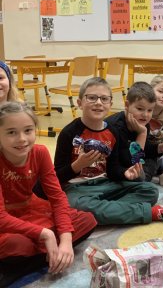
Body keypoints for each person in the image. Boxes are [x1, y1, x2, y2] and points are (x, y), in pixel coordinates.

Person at [55, 77, 163, 225]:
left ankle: (108, 209)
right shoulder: (68, 133)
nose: (98, 103)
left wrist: (124, 173)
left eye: (104, 99)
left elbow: (114, 169)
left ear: (110, 104)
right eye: (92, 98)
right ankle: (150, 212)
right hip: (78, 188)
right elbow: (57, 176)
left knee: (150, 190)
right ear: (79, 103)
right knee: (76, 205)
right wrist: (78, 165)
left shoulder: (112, 131)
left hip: (107, 183)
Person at [0, 101, 97, 287]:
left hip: (32, 209)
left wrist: (66, 239)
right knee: (16, 245)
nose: (22, 139)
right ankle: (36, 257)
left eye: (28, 130)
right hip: (6, 220)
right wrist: (45, 234)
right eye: (11, 132)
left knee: (88, 220)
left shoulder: (40, 152)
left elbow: (57, 197)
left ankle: (26, 262)